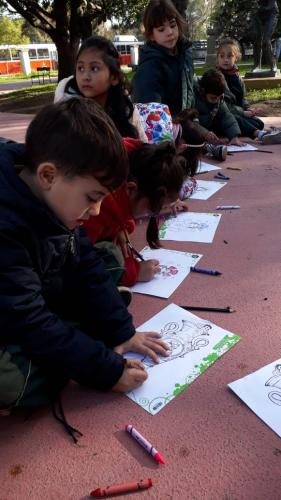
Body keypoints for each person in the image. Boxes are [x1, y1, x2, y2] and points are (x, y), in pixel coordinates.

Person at [0, 99, 169, 437]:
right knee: (7, 379)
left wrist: (123, 332)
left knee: (104, 259)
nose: (96, 212)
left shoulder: (54, 193)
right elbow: (28, 320)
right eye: (92, 198)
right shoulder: (5, 224)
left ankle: (76, 341)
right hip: (12, 313)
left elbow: (86, 263)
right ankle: (73, 346)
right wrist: (106, 370)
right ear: (48, 175)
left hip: (31, 291)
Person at [83, 137, 187, 287]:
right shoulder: (97, 209)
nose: (148, 216)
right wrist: (132, 272)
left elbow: (124, 207)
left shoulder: (129, 173)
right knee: (112, 256)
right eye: (150, 211)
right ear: (131, 189)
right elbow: (79, 262)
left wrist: (121, 227)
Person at [133, 0, 227, 161]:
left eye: (172, 25)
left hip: (185, 118)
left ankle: (205, 145)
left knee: (200, 128)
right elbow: (150, 115)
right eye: (161, 29)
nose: (169, 32)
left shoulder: (183, 53)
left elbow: (189, 89)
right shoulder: (150, 67)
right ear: (151, 35)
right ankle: (203, 146)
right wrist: (174, 131)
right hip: (164, 127)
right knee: (188, 140)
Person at [54, 35, 147, 141]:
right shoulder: (67, 114)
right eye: (80, 68)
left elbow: (141, 146)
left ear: (114, 77)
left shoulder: (124, 109)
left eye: (94, 68)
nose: (85, 76)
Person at [135, 102, 206, 199]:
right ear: (182, 147)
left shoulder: (163, 109)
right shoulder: (161, 143)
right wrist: (191, 182)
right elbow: (170, 190)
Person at [217, 39, 281, 144]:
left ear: (236, 57)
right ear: (217, 57)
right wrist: (242, 112)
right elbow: (222, 105)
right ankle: (261, 135)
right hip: (224, 115)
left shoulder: (236, 76)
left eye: (230, 56)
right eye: (222, 56)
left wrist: (249, 110)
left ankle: (254, 130)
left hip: (239, 113)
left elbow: (242, 98)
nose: (225, 60)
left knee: (258, 123)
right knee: (236, 119)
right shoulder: (217, 77)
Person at [194, 69, 244, 146]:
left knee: (245, 121)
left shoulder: (219, 99)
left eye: (219, 97)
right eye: (213, 98)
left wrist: (234, 137)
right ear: (203, 91)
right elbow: (191, 122)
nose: (216, 100)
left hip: (212, 127)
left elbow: (227, 117)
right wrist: (205, 133)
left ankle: (256, 132)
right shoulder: (194, 99)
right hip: (197, 132)